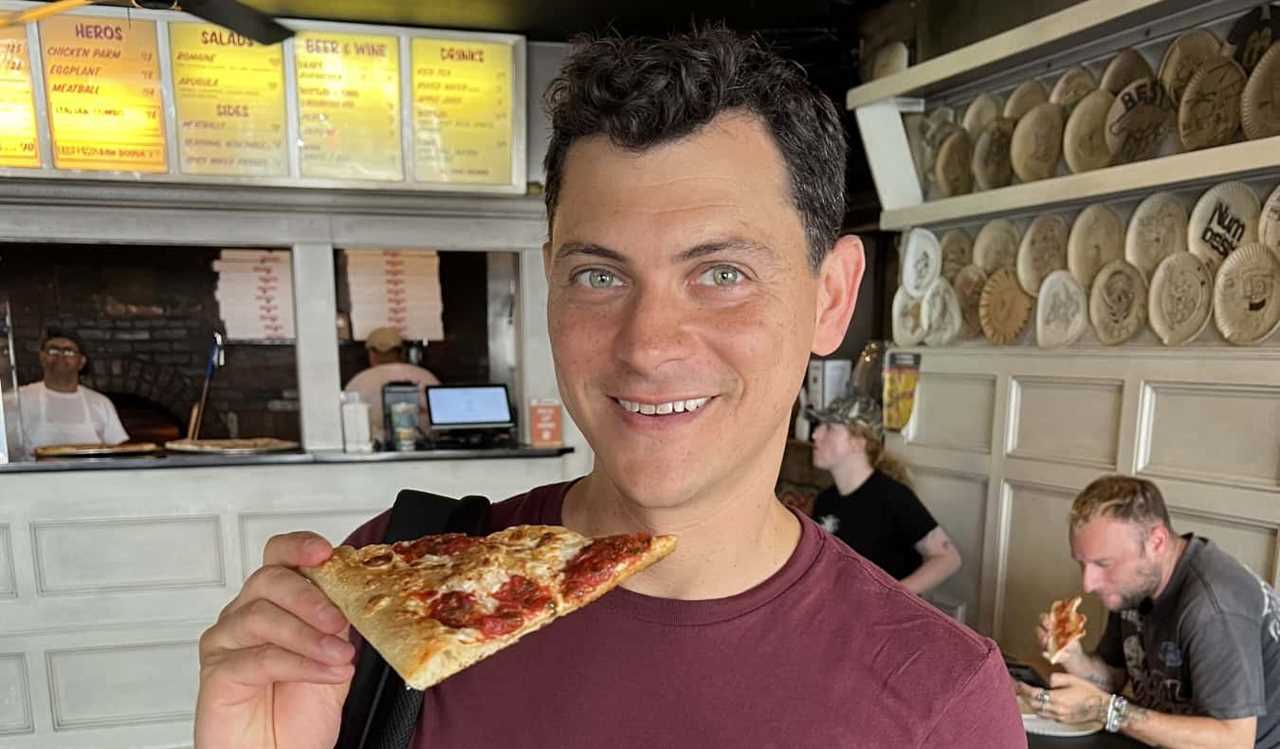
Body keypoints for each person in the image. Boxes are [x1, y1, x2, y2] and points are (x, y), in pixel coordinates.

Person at [195, 28, 1024, 748]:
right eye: (598, 275)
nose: (649, 345)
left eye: (722, 272)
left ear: (831, 297)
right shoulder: (394, 585)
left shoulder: (939, 698)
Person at [1017, 475, 1280, 748]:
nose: (1088, 584)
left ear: (1156, 542)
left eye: (1103, 564)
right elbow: (1114, 680)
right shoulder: (1136, 585)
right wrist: (1074, 657)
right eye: (1082, 564)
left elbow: (1235, 741)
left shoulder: (1213, 608)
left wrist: (1104, 710)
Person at [808, 394, 962, 595]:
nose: (815, 434)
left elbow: (948, 558)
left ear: (858, 442)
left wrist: (891, 597)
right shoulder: (825, 500)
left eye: (829, 428)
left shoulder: (892, 496)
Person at [18, 329, 128, 449]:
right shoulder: (18, 399)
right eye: (53, 350)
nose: (60, 356)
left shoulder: (101, 403)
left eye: (69, 352)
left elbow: (117, 449)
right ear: (42, 357)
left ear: (81, 362)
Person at [343, 326, 440, 441]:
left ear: (371, 354)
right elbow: (444, 425)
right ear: (402, 352)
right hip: (428, 452)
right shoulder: (427, 377)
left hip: (376, 453)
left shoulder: (357, 382)